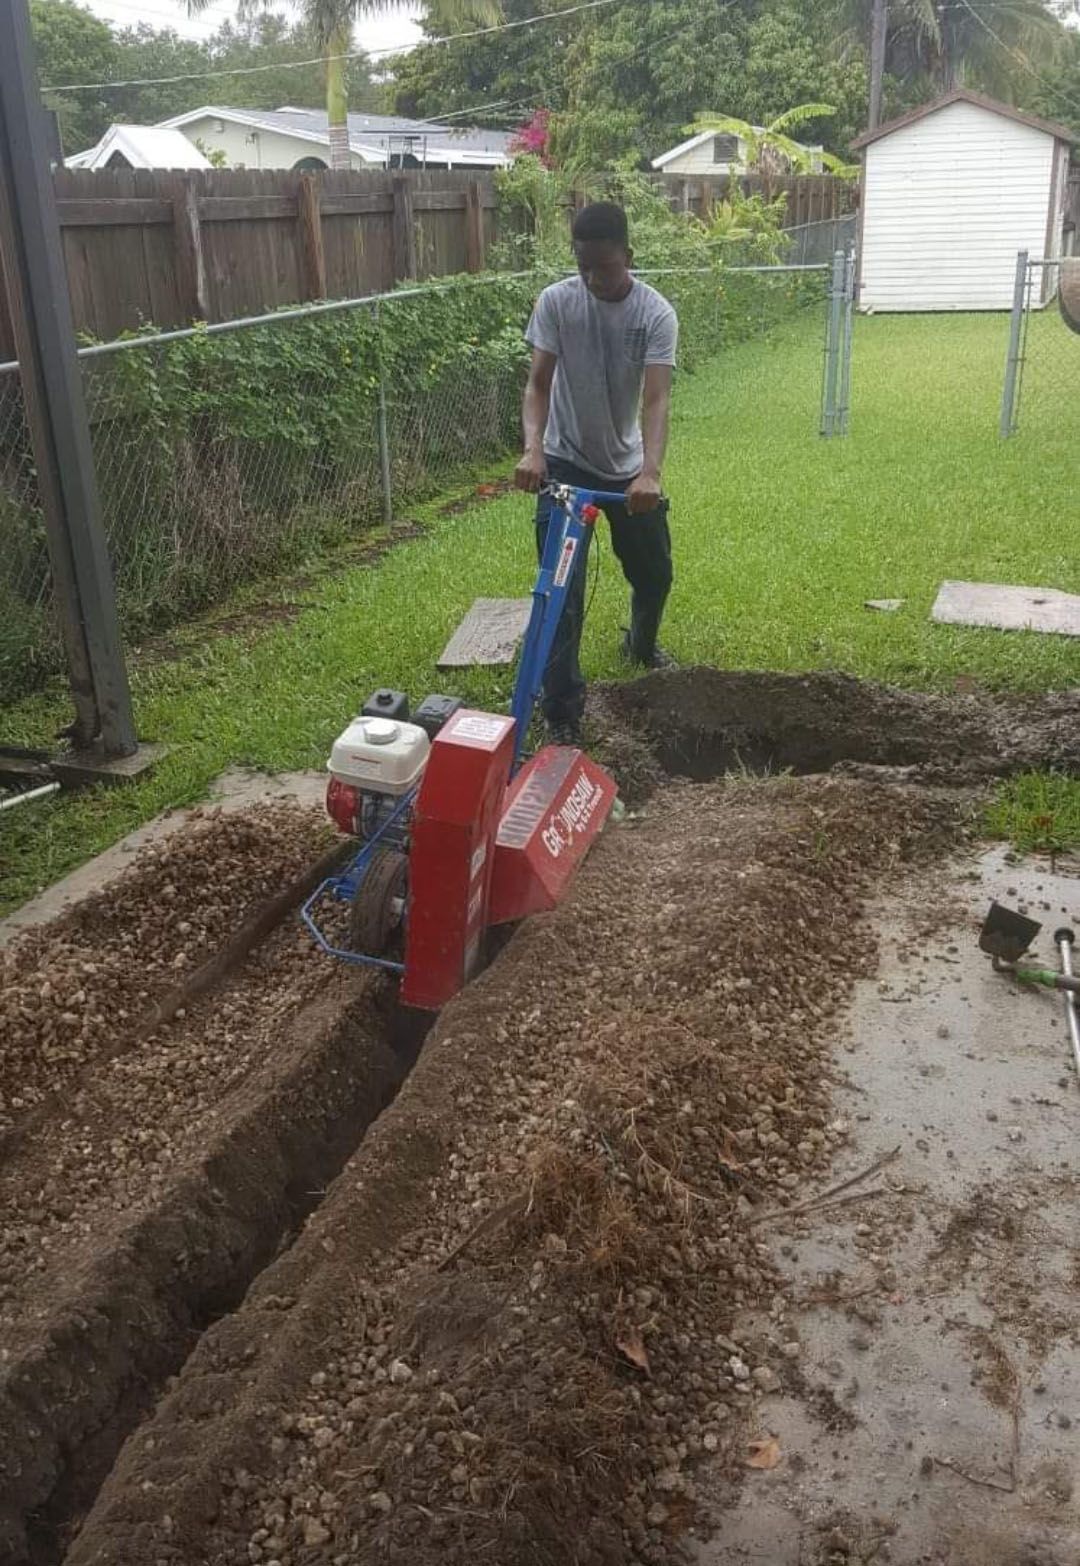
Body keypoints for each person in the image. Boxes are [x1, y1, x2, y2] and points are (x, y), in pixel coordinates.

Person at [514, 200, 678, 747]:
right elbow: (537, 385)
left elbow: (656, 400)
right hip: (562, 466)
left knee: (654, 573)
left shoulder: (655, 314)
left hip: (628, 472)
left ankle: (641, 644)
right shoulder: (557, 303)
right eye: (583, 266)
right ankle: (562, 712)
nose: (592, 279)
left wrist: (650, 472)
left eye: (603, 268)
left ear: (628, 256)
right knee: (562, 591)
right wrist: (533, 450)